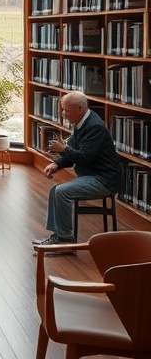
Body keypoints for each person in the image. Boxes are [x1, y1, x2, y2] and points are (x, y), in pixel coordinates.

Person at [32, 90, 122, 252]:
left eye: (66, 110)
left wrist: (64, 148)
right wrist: (57, 164)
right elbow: (73, 153)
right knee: (56, 191)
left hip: (104, 179)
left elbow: (84, 157)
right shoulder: (82, 123)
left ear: (80, 109)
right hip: (92, 175)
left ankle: (65, 241)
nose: (63, 114)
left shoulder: (94, 127)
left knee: (61, 192)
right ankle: (58, 236)